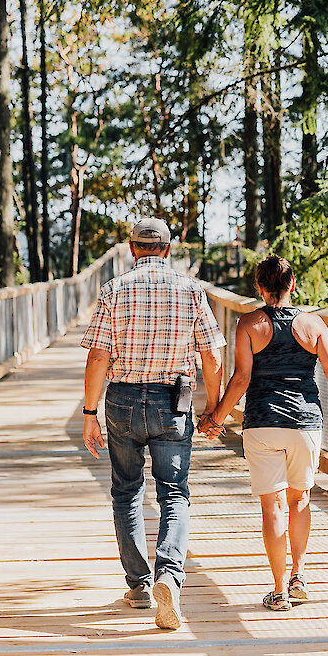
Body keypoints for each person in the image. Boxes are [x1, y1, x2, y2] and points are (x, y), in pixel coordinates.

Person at [81, 217, 225, 631]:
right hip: (173, 400)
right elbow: (212, 356)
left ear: (132, 248)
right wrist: (213, 408)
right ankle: (170, 577)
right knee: (174, 493)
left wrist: (90, 414)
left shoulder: (114, 289)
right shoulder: (191, 290)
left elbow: (98, 356)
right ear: (168, 248)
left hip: (122, 400)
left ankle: (140, 585)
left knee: (127, 491)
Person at [200, 254, 328, 610]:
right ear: (292, 284)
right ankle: (299, 576)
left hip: (263, 422)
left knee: (273, 506)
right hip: (305, 423)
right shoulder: (313, 324)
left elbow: (241, 379)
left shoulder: (250, 324)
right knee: (300, 500)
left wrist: (216, 419)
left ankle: (279, 591)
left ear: (259, 287)